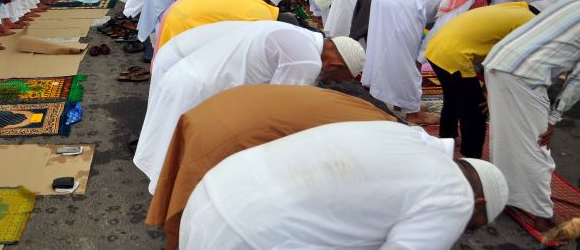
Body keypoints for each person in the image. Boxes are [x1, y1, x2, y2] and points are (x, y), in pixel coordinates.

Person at [179, 121, 509, 250]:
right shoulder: (456, 198)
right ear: (478, 205)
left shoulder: (405, 136)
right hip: (254, 235)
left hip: (212, 191)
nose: (465, 233)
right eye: (474, 227)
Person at [147, 86, 395, 248]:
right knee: (198, 194)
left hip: (221, 107)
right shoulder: (381, 137)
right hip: (231, 132)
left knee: (194, 186)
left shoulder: (367, 111)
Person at [136, 20, 365, 192]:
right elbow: (280, 111)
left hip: (186, 74)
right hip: (197, 89)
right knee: (180, 163)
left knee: (169, 151)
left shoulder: (299, 36)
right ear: (335, 62)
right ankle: (178, 219)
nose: (330, 83)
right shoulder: (306, 59)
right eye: (337, 79)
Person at [483, 0, 580, 231]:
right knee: (537, 145)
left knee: (505, 139)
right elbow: (577, 80)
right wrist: (554, 117)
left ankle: (505, 195)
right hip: (525, 74)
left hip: (500, 59)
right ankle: (541, 213)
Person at [361, 0, 488, 124]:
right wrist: (421, 58)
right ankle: (413, 112)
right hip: (404, 2)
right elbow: (441, 33)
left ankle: (399, 103)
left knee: (384, 48)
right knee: (407, 58)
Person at [423, 2, 536, 158]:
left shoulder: (513, 9)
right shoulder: (529, 21)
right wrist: (487, 91)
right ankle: (471, 157)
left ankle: (448, 138)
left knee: (453, 97)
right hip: (453, 55)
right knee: (476, 111)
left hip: (436, 47)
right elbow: (504, 59)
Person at [155, 0, 280, 51]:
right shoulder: (262, 17)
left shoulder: (260, 5)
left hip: (182, 8)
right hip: (186, 17)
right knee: (181, 60)